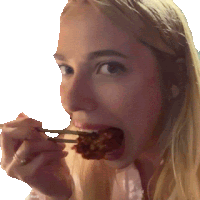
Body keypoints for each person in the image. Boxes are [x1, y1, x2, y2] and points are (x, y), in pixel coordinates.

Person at [1, 0, 200, 199]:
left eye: (110, 68)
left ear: (175, 77)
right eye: (67, 69)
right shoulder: (66, 170)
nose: (72, 102)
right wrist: (61, 195)